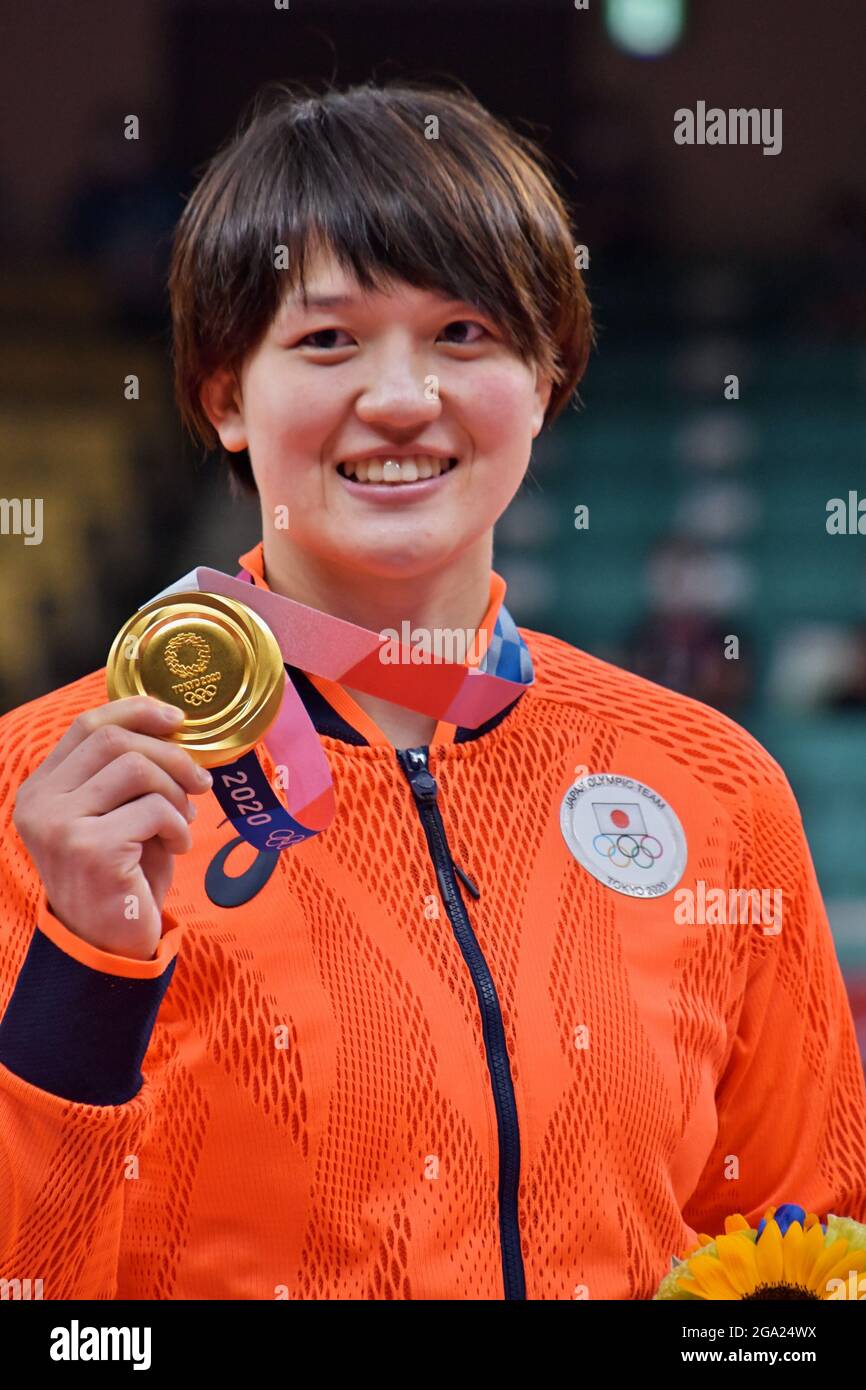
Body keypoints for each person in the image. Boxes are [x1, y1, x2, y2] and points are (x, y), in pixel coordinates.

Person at [1, 79, 864, 1302]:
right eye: (327, 338)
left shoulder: (714, 788)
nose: (401, 397)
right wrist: (81, 974)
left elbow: (809, 1248)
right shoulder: (42, 796)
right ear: (223, 398)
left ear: (545, 373)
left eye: (463, 333)